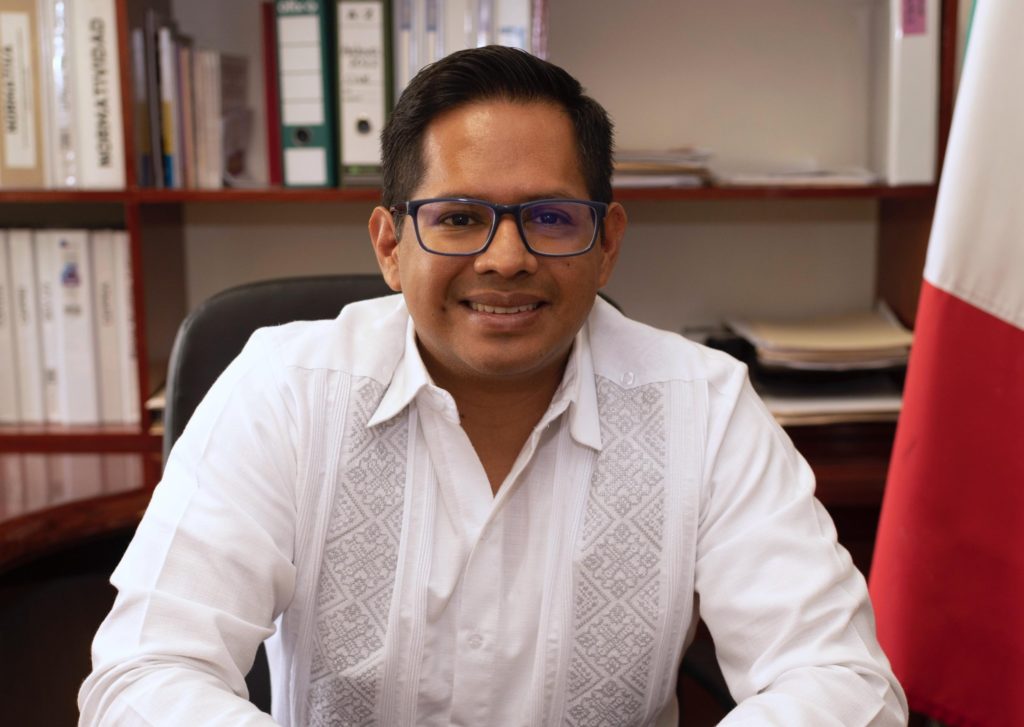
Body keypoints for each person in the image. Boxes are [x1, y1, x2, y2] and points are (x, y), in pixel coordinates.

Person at [79, 46, 907, 725]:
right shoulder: (284, 391)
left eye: (550, 217)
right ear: (390, 245)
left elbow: (841, 681)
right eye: (459, 217)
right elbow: (144, 674)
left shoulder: (707, 407)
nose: (506, 258)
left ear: (606, 243)